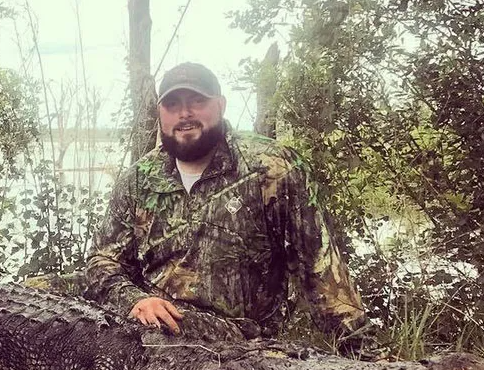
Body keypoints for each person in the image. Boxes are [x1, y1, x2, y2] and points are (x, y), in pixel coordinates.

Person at [85, 62, 368, 345]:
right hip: (154, 334)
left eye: (197, 100)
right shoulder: (138, 179)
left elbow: (320, 268)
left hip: (242, 345)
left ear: (220, 105)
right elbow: (103, 260)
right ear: (160, 114)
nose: (184, 113)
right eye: (172, 104)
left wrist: (361, 351)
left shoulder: (272, 168)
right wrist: (137, 300)